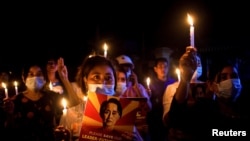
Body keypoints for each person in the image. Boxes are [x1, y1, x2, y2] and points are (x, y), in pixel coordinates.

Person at [164, 46, 249, 140]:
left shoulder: (245, 107)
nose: (231, 81)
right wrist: (186, 77)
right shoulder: (204, 110)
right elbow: (176, 118)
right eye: (223, 78)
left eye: (234, 76)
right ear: (211, 85)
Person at [56, 55, 144, 141]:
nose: (103, 83)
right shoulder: (71, 116)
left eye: (108, 78)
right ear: (85, 80)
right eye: (96, 77)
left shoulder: (125, 118)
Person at [3, 64, 66, 141]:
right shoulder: (16, 100)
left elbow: (73, 106)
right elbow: (9, 129)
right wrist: (9, 114)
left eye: (39, 74)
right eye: (31, 74)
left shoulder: (51, 96)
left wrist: (64, 79)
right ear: (24, 78)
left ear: (44, 78)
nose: (35, 77)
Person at [162, 54, 205, 121]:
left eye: (198, 63)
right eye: (190, 63)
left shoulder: (205, 87)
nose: (195, 66)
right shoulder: (171, 88)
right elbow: (167, 120)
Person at [147, 57, 175, 141]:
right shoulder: (151, 84)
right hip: (156, 120)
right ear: (155, 69)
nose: (163, 69)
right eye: (160, 66)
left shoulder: (173, 83)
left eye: (165, 66)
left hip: (169, 119)